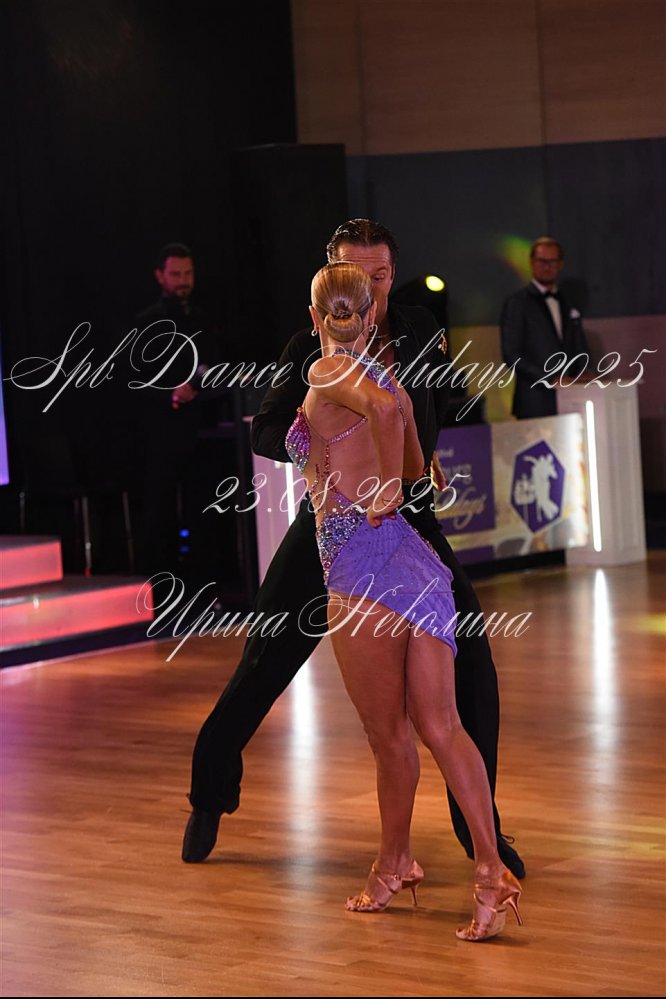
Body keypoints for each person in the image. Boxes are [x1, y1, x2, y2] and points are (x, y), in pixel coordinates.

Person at [182, 219, 525, 882]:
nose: (368, 287)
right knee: (265, 657)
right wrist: (319, 453)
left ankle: (479, 831)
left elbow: (429, 401)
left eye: (380, 275)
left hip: (408, 521)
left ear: (392, 274)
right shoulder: (309, 346)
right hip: (336, 527)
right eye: (355, 274)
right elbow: (267, 429)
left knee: (473, 661)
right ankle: (209, 794)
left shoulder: (419, 327)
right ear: (329, 278)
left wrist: (422, 461)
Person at [284, 260, 523, 939]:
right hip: (419, 567)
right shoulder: (390, 378)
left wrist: (383, 488)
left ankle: (394, 863)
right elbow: (419, 462)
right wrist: (396, 474)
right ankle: (487, 873)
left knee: (389, 736)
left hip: (361, 567)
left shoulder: (325, 371)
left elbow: (392, 442)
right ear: (371, 315)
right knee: (442, 726)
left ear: (316, 317)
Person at [133, 243, 221, 576]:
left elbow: (216, 366)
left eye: (187, 273)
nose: (183, 280)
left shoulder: (204, 320)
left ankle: (203, 583)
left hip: (203, 430)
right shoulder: (146, 323)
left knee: (204, 509)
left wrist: (196, 387)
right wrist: (170, 394)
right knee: (161, 511)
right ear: (160, 276)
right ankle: (162, 587)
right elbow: (135, 379)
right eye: (175, 274)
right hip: (161, 433)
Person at [500, 236, 591, 418]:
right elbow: (511, 354)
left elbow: (578, 345)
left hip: (571, 397)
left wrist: (585, 373)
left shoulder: (567, 301)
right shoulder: (517, 303)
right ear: (532, 263)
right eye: (542, 261)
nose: (547, 267)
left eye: (552, 261)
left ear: (560, 264)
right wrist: (550, 379)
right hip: (534, 401)